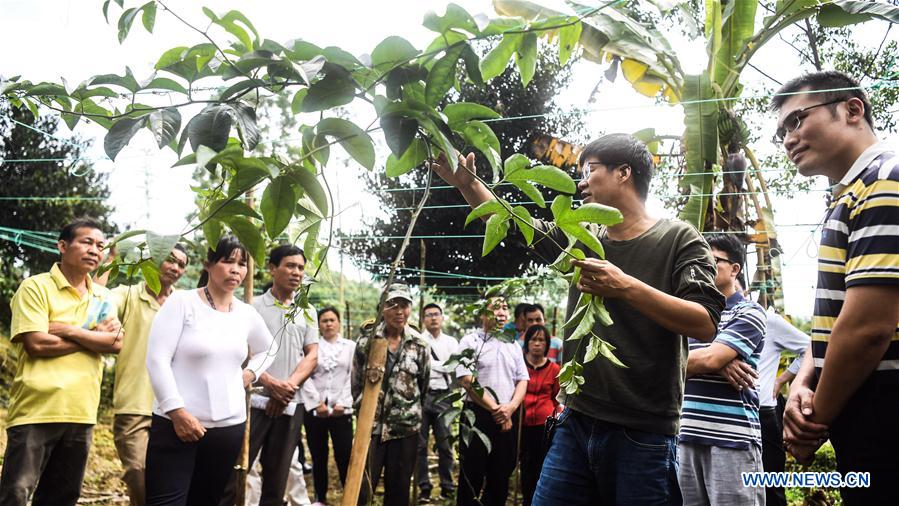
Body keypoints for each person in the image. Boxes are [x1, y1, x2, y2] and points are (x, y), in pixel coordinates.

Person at [431, 133, 724, 505]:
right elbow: (517, 225)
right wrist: (468, 183)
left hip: (643, 431)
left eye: (590, 170)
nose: (580, 181)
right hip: (575, 420)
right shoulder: (581, 236)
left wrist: (626, 286)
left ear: (623, 172)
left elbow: (704, 322)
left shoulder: (679, 238)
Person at [771, 71, 899, 504]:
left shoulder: (887, 178)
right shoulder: (850, 194)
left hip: (885, 404)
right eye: (782, 131)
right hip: (862, 399)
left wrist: (812, 423)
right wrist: (804, 379)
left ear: (852, 109)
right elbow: (835, 319)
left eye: (797, 120)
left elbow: (868, 328)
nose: (788, 139)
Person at [144, 236, 275, 505]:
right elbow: (157, 359)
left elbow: (269, 349)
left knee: (206, 500)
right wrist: (177, 412)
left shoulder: (246, 314)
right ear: (208, 264)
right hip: (175, 425)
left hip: (227, 428)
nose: (236, 270)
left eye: (242, 264)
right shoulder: (182, 303)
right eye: (228, 261)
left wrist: (250, 374)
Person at [0, 218, 122, 506]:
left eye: (100, 246)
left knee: (62, 497)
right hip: (36, 408)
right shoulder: (35, 288)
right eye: (87, 242)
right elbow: (37, 343)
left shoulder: (103, 296)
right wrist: (92, 338)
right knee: (16, 494)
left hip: (81, 411)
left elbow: (116, 343)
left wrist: (67, 330)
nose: (95, 250)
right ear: (62, 246)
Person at [220, 245, 319, 506]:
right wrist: (269, 383)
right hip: (253, 402)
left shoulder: (306, 311)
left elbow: (312, 356)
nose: (296, 272)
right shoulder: (251, 307)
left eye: (300, 267)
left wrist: (286, 388)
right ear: (273, 268)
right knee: (236, 471)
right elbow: (242, 353)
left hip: (289, 403)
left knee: (278, 477)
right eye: (290, 265)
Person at [677, 233, 767, 505]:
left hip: (733, 440)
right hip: (686, 435)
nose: (703, 267)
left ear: (735, 268)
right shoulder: (687, 313)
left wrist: (711, 358)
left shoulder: (749, 312)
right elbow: (672, 360)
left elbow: (705, 360)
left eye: (712, 261)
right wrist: (718, 358)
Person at [109, 244, 189, 506]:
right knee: (137, 473)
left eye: (181, 264)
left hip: (175, 407)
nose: (175, 268)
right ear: (152, 260)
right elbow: (99, 301)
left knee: (166, 480)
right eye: (170, 260)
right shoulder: (128, 295)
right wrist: (110, 257)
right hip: (134, 403)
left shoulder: (185, 304)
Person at [719, 288, 809, 506]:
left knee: (770, 484)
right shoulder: (710, 319)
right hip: (723, 415)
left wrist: (782, 380)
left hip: (761, 413)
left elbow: (809, 347)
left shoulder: (769, 320)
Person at [352, 283, 430, 506]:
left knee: (398, 492)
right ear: (381, 309)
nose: (399, 311)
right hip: (372, 429)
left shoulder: (420, 345)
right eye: (392, 305)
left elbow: (422, 387)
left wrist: (407, 411)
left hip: (405, 430)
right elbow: (356, 385)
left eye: (404, 305)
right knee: (363, 490)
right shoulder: (367, 342)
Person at [455, 296, 529, 506]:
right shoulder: (470, 341)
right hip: (477, 416)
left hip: (508, 417)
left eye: (505, 308)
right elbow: (467, 379)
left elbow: (523, 379)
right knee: (471, 476)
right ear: (482, 313)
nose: (502, 313)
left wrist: (511, 408)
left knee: (501, 476)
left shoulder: (512, 344)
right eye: (496, 308)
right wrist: (497, 409)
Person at [302, 306, 355, 506]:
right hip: (317, 412)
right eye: (324, 321)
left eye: (332, 320)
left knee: (344, 455)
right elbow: (304, 375)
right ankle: (320, 497)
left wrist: (343, 402)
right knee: (318, 455)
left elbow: (353, 375)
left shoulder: (350, 346)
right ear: (318, 324)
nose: (329, 324)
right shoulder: (311, 346)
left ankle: (349, 495)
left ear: (339, 322)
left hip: (342, 411)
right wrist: (317, 403)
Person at [417, 303, 458, 504]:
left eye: (436, 314)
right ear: (423, 319)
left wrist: (434, 366)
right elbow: (420, 367)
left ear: (442, 318)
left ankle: (447, 487)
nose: (433, 318)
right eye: (429, 315)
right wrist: (443, 366)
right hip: (422, 396)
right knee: (420, 444)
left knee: (445, 443)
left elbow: (455, 366)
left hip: (444, 395)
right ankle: (424, 487)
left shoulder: (451, 342)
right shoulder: (418, 341)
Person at [519, 324, 560, 506]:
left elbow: (557, 399)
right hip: (520, 424)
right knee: (523, 465)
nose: (537, 344)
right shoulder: (519, 364)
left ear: (547, 344)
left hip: (543, 427)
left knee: (539, 466)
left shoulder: (555, 369)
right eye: (533, 339)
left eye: (541, 340)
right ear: (527, 343)